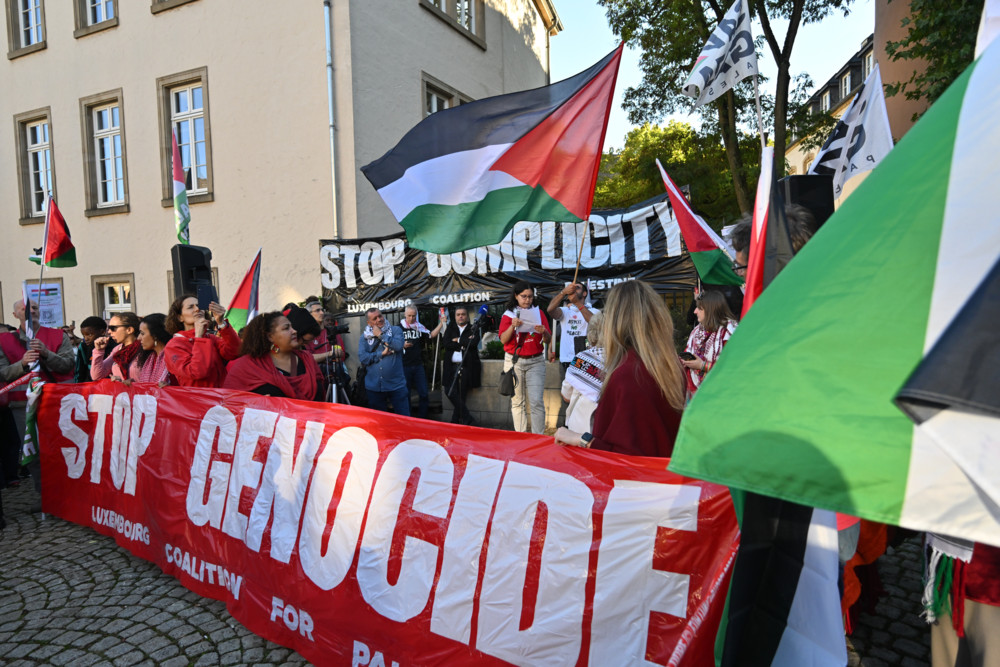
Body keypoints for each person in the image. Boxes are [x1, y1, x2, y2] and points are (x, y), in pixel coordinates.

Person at [555, 280, 685, 457]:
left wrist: (580, 439)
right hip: (669, 475)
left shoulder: (627, 375)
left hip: (637, 479)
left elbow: (624, 454)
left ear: (615, 322)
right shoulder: (672, 366)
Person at [0, 299, 75, 494]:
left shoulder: (59, 335)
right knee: (33, 451)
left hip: (56, 400)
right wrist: (22, 364)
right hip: (22, 404)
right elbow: (2, 374)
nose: (31, 311)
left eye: (34, 308)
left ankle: (68, 494)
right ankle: (45, 495)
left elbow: (68, 365)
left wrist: (46, 353)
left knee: (61, 446)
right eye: (24, 309)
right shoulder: (4, 340)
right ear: (15, 315)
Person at [224, 312, 322, 400]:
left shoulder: (307, 359)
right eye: (286, 328)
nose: (294, 331)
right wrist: (254, 403)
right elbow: (230, 402)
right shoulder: (247, 366)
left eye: (292, 327)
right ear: (270, 336)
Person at [498, 281, 551, 433]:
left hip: (535, 361)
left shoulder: (539, 313)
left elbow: (548, 339)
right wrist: (512, 326)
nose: (527, 300)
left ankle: (538, 438)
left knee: (536, 402)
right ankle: (521, 437)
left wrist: (544, 332)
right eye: (524, 296)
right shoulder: (508, 314)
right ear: (516, 296)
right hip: (514, 361)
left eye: (530, 297)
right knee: (517, 402)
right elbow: (503, 340)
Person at [163, 294, 240, 388]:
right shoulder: (174, 345)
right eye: (190, 307)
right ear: (180, 317)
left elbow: (235, 352)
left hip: (221, 398)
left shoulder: (210, 337)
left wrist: (221, 323)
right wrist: (199, 337)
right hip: (197, 400)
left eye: (199, 305)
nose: (197, 309)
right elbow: (197, 372)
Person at [681, 290, 737, 398]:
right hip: (695, 396)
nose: (695, 311)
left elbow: (732, 367)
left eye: (699, 308)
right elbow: (687, 352)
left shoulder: (729, 331)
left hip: (721, 396)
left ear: (710, 310)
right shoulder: (697, 331)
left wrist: (703, 365)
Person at [357, 308, 409, 416]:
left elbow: (398, 346)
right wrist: (381, 354)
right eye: (374, 318)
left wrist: (381, 335)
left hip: (396, 386)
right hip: (374, 387)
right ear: (368, 323)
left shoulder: (395, 330)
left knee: (404, 419)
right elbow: (363, 358)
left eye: (380, 316)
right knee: (379, 422)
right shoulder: (364, 337)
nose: (379, 319)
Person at [560, 313, 605, 434]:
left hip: (578, 427)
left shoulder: (582, 358)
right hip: (606, 432)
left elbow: (566, 395)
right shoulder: (622, 359)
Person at [401, 305, 445, 419]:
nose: (411, 318)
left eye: (414, 316)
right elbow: (390, 343)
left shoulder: (418, 327)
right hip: (404, 365)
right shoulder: (398, 328)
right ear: (405, 315)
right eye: (409, 316)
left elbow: (431, 335)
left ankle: (422, 418)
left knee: (424, 393)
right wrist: (402, 345)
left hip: (418, 365)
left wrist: (441, 324)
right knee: (405, 395)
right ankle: (408, 418)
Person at [442, 307, 481, 425]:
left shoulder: (473, 328)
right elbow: (446, 343)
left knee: (461, 394)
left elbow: (473, 343)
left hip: (467, 366)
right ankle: (467, 417)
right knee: (449, 391)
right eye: (458, 314)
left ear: (467, 316)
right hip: (451, 366)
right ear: (455, 317)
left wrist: (457, 340)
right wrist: (463, 343)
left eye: (463, 314)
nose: (460, 316)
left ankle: (455, 421)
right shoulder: (451, 328)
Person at [546, 282, 598, 366]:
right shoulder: (565, 310)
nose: (573, 289)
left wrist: (577, 303)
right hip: (566, 359)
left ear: (584, 293)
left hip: (586, 359)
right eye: (572, 288)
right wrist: (563, 293)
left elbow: (594, 322)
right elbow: (550, 310)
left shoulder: (594, 311)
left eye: (577, 288)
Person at [90, 312, 142, 381]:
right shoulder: (118, 349)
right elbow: (97, 376)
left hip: (140, 391)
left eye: (113, 328)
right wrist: (99, 351)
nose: (109, 331)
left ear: (129, 330)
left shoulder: (143, 348)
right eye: (108, 328)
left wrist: (130, 383)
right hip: (122, 391)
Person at [134, 314, 173, 385]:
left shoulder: (173, 357)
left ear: (155, 336)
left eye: (142, 333)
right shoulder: (150, 358)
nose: (139, 338)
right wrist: (132, 384)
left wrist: (170, 387)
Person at [74, 316, 108, 382]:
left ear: (102, 332)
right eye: (84, 335)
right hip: (90, 387)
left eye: (89, 335)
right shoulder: (83, 347)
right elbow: (80, 371)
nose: (86, 338)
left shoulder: (113, 346)